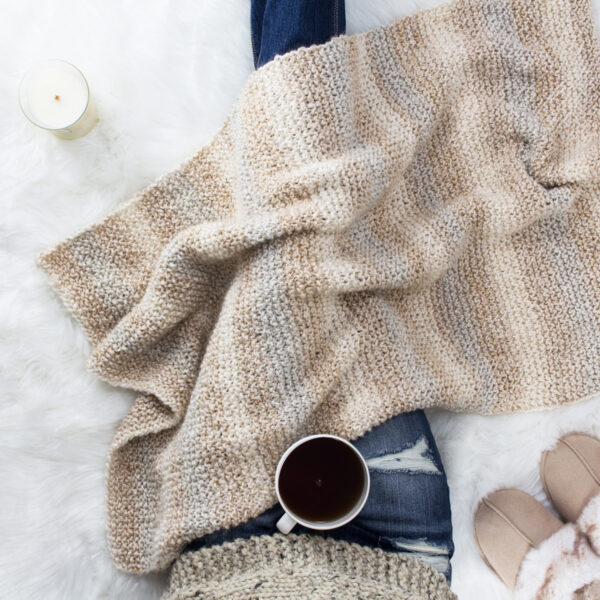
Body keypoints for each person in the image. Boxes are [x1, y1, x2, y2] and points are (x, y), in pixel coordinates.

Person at [161, 3, 455, 598]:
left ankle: (301, 75)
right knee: (317, 252)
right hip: (395, 556)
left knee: (292, 258)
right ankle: (302, 80)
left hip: (230, 559)